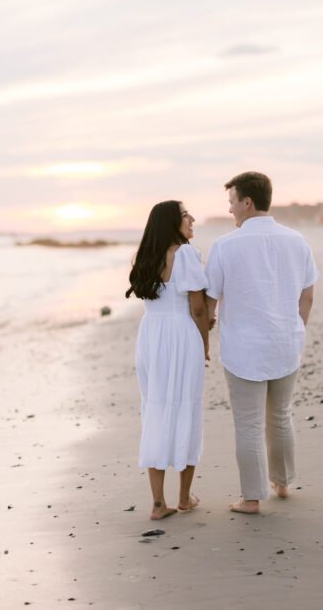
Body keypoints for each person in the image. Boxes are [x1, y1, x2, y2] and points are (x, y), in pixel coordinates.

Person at [205, 172, 318, 514]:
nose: (230, 211)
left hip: (244, 349)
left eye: (231, 203)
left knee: (249, 423)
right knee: (281, 415)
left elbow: (209, 301)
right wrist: (295, 330)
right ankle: (282, 483)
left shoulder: (226, 245)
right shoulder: (297, 240)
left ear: (247, 202)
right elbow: (308, 296)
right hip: (286, 343)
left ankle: (252, 498)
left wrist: (204, 336)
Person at [127, 200, 210, 520]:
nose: (192, 218)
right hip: (180, 335)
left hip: (151, 336)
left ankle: (159, 503)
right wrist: (204, 344)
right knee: (186, 406)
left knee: (156, 410)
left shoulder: (144, 256)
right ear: (171, 222)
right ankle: (185, 497)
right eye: (186, 214)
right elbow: (198, 308)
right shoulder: (186, 254)